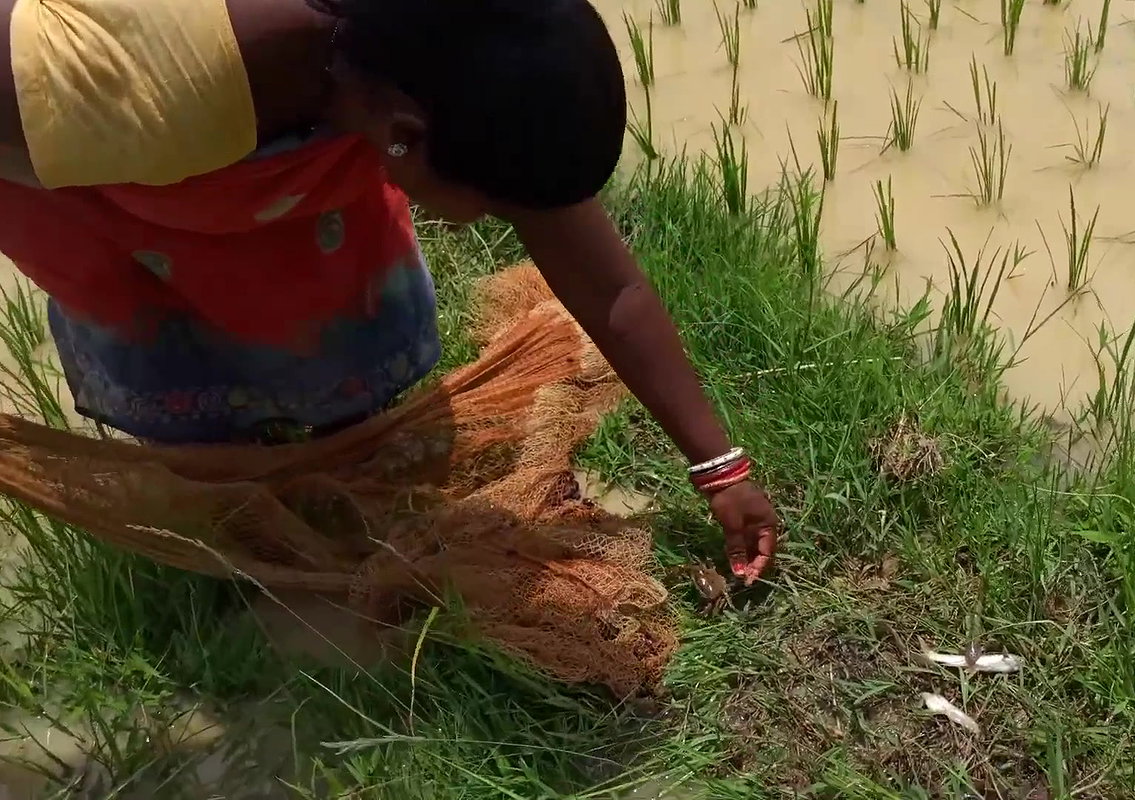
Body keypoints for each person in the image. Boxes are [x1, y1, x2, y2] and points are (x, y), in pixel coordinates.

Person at [0, 0, 778, 582]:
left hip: (245, 152)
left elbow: (606, 283)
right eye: (497, 207)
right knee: (187, 397)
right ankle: (222, 510)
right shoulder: (138, 85)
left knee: (332, 339)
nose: (493, 224)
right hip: (80, 167)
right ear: (405, 132)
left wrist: (721, 465)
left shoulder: (446, 41)